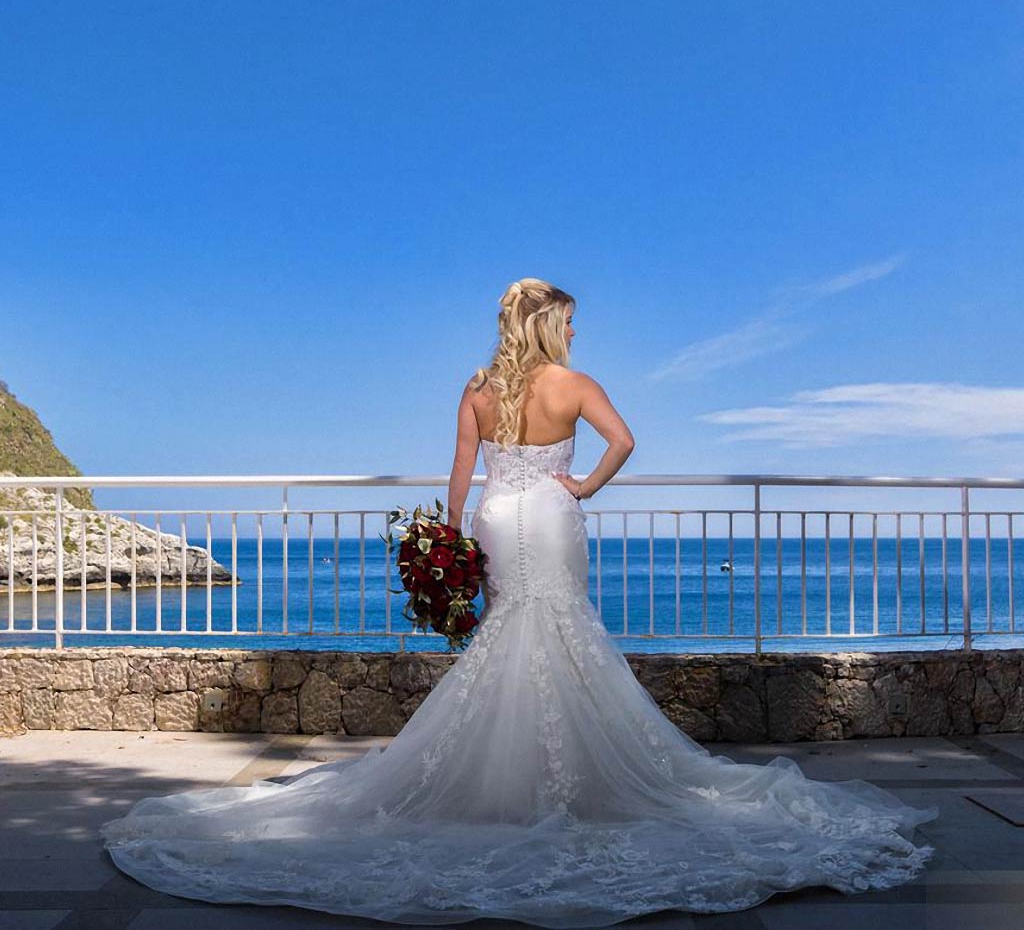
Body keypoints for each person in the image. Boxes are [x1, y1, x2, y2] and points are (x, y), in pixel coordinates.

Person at [100, 277, 939, 925]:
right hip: (554, 510)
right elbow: (627, 440)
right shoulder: (575, 383)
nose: (575, 330)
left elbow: (460, 474)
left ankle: (502, 783)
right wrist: (582, 484)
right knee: (564, 632)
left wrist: (453, 540)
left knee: (510, 633)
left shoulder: (474, 388)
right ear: (549, 323)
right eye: (569, 319)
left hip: (501, 515)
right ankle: (570, 781)